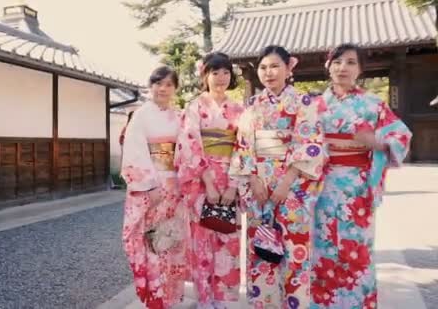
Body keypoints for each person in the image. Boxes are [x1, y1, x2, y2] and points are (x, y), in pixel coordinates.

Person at [310, 44, 412, 308]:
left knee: (357, 250)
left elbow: (401, 135)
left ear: (360, 70)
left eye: (351, 62)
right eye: (337, 61)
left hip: (357, 188)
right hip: (321, 187)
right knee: (322, 248)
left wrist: (376, 141)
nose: (343, 67)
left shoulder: (373, 103)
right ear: (328, 66)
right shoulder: (314, 105)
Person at [230, 45, 325, 308]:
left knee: (295, 254)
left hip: (293, 188)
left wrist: (286, 183)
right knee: (262, 253)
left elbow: (309, 143)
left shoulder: (304, 102)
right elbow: (243, 145)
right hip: (259, 189)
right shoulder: (252, 105)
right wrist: (252, 180)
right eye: (263, 67)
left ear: (288, 68)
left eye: (274, 66)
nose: (268, 73)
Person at [175, 52, 244, 309]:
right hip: (201, 179)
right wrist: (209, 182)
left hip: (231, 175)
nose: (221, 78)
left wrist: (234, 184)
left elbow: (244, 146)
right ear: (205, 75)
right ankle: (205, 298)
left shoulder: (239, 109)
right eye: (215, 72)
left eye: (226, 72)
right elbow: (189, 143)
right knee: (201, 240)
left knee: (227, 238)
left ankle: (223, 298)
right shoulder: (195, 107)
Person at [121, 66, 188, 309]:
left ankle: (170, 295)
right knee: (150, 241)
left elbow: (185, 151)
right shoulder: (141, 115)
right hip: (152, 190)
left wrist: (185, 179)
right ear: (151, 86)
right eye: (158, 83)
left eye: (169, 84)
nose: (163, 88)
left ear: (175, 88)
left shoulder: (179, 116)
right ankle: (155, 296)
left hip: (175, 187)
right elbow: (134, 151)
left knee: (170, 240)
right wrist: (149, 186)